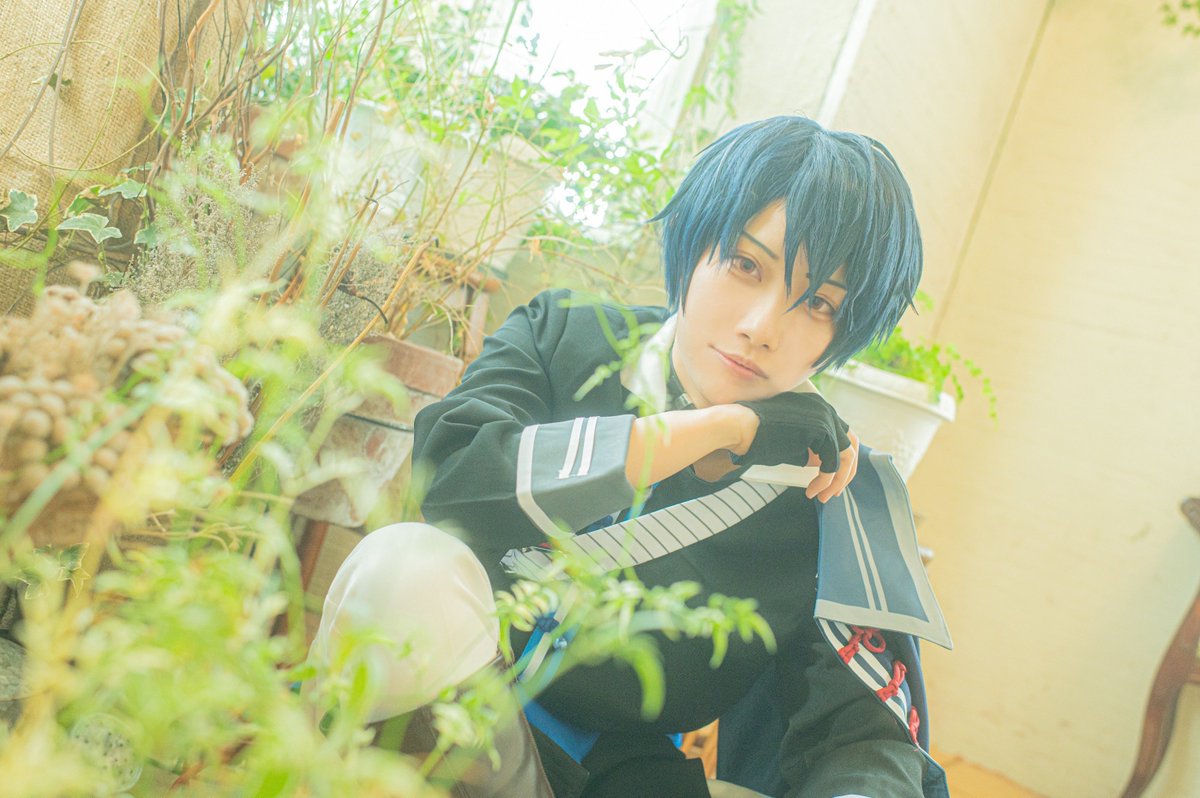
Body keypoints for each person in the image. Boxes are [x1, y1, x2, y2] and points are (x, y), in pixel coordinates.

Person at [308, 116, 953, 798]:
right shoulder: (563, 336)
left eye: (818, 303)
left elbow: (862, 740)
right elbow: (452, 480)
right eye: (746, 265)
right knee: (404, 566)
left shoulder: (833, 492)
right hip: (438, 728)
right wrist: (717, 429)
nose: (761, 327)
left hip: (621, 777)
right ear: (695, 243)